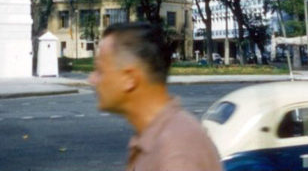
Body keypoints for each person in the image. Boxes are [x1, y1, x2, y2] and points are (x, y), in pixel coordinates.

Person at [88, 22, 222, 171]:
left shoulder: (176, 152)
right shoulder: (154, 138)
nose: (92, 80)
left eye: (100, 70)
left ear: (129, 79)